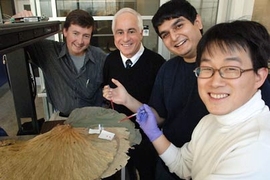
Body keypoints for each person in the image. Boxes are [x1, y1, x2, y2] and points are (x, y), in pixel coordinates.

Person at [103, 1, 270, 179]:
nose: (215, 82)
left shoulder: (257, 145)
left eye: (230, 69)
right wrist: (148, 125)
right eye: (207, 70)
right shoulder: (206, 123)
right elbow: (181, 162)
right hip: (170, 158)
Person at [102, 8, 165, 180]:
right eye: (119, 32)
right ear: (114, 35)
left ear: (141, 32)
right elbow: (106, 88)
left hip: (147, 139)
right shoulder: (110, 60)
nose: (125, 38)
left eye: (131, 31)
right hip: (117, 135)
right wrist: (106, 93)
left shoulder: (158, 64)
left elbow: (161, 114)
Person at [14, 9, 107, 118]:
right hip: (62, 118)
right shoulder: (48, 51)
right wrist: (15, 21)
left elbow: (111, 87)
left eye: (86, 36)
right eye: (75, 33)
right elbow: (12, 41)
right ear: (65, 31)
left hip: (93, 118)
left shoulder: (100, 57)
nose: (80, 41)